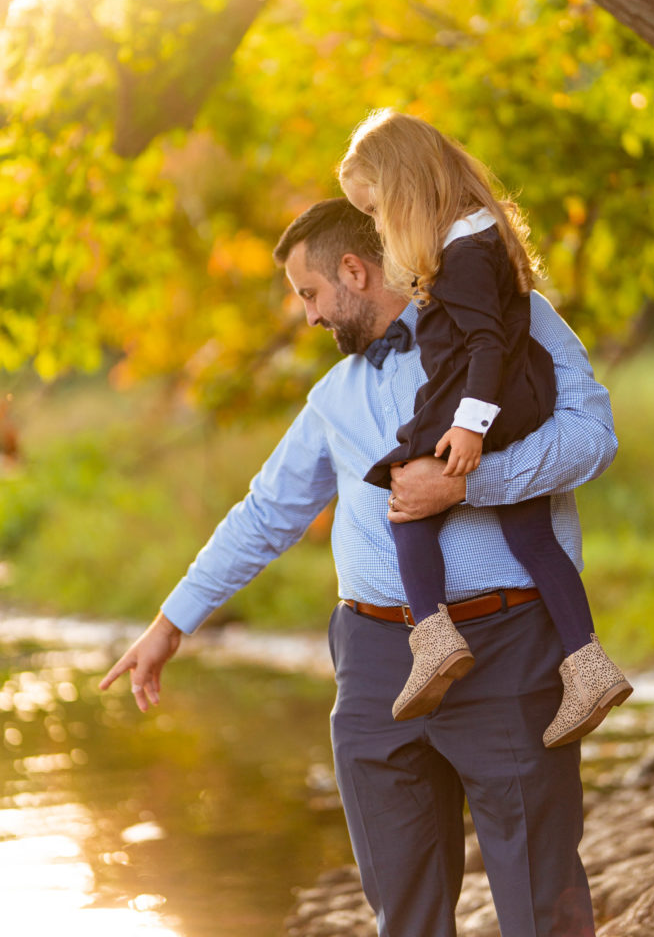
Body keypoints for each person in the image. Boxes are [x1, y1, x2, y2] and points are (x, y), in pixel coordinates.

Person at [101, 197, 616, 937]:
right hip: (374, 662)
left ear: (354, 270)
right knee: (401, 907)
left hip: (507, 644)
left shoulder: (511, 316)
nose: (307, 316)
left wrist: (468, 482)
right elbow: (265, 514)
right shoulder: (330, 397)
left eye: (309, 294)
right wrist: (171, 622)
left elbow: (591, 439)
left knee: (542, 902)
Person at [338, 108, 631, 741]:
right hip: (516, 398)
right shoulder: (481, 233)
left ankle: (433, 638)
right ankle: (588, 664)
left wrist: (469, 425)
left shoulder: (462, 249)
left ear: (406, 187)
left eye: (377, 207)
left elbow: (486, 342)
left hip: (478, 398)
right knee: (531, 534)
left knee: (406, 494)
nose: (379, 223)